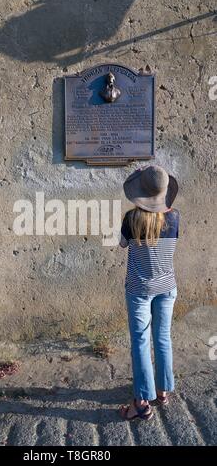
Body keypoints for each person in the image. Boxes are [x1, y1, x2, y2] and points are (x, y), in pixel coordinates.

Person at [119, 165, 179, 421]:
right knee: (163, 338)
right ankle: (163, 391)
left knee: (141, 342)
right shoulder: (175, 217)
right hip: (167, 287)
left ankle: (142, 403)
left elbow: (122, 244)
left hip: (140, 289)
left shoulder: (131, 219)